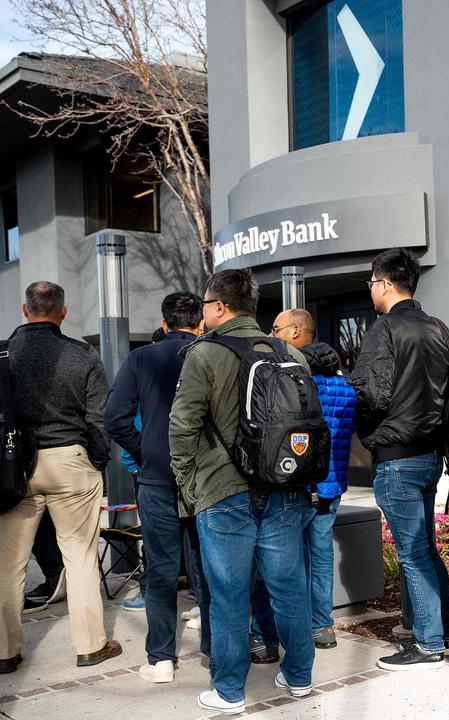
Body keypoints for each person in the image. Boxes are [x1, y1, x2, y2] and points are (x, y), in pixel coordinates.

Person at [169, 269, 315, 714]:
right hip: (284, 486)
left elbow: (183, 424)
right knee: (289, 586)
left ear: (218, 306)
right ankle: (299, 676)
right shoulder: (290, 353)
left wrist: (188, 481)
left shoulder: (204, 354)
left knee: (229, 594)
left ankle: (230, 690)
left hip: (223, 490)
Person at [0, 282, 123, 673]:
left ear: (25, 310)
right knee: (80, 556)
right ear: (63, 312)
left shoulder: (4, 355)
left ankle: (5, 652)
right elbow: (97, 419)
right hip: (70, 459)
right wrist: (96, 460)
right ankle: (90, 646)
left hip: (13, 463)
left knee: (8, 563)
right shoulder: (82, 353)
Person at [349, 248, 449, 670]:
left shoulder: (385, 329)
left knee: (412, 553)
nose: (371, 290)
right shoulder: (437, 328)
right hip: (431, 453)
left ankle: (428, 642)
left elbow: (370, 392)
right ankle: (440, 629)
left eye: (372, 283)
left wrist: (371, 433)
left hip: (397, 456)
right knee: (424, 548)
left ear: (385, 283)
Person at [105, 292, 210, 683]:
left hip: (157, 477)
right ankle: (216, 651)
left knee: (162, 569)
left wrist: (146, 449)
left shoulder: (140, 358)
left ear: (165, 324)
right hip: (206, 478)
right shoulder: (211, 352)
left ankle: (161, 659)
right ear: (199, 323)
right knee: (209, 567)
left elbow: (115, 418)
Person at [248, 308, 356, 658]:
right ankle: (321, 626)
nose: (271, 333)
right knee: (320, 555)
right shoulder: (344, 382)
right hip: (332, 483)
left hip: (296, 485)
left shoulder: (292, 379)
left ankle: (267, 634)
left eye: (276, 328)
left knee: (278, 561)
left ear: (296, 333)